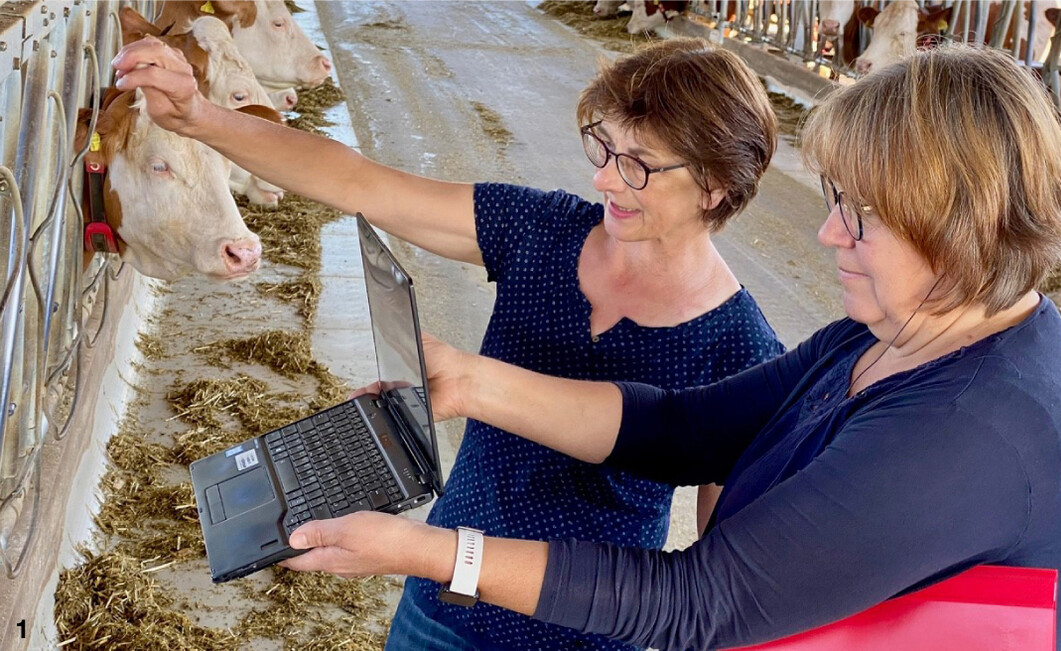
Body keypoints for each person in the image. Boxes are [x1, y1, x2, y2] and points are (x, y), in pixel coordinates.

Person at [268, 44, 1061, 650]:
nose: (829, 231)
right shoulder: (897, 332)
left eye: (861, 215)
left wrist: (428, 551)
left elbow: (701, 600)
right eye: (837, 200)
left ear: (963, 228)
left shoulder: (975, 428)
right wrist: (470, 382)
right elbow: (683, 430)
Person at [112, 37, 785, 649]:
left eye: (638, 165)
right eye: (603, 147)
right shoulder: (545, 230)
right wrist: (200, 118)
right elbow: (357, 181)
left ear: (716, 184)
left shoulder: (741, 352)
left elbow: (718, 574)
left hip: (577, 638)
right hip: (436, 607)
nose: (604, 178)